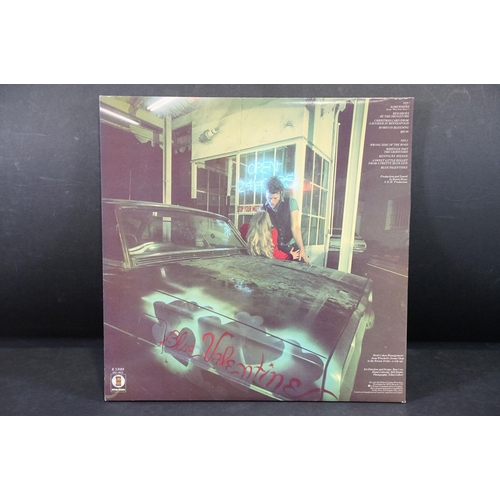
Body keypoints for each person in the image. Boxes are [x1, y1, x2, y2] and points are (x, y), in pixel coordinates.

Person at [260, 176, 311, 265]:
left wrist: (302, 250)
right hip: (276, 250)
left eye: (275, 198)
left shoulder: (291, 203)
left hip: (292, 247)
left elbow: (295, 227)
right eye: (269, 198)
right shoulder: (262, 209)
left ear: (280, 193)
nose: (272, 202)